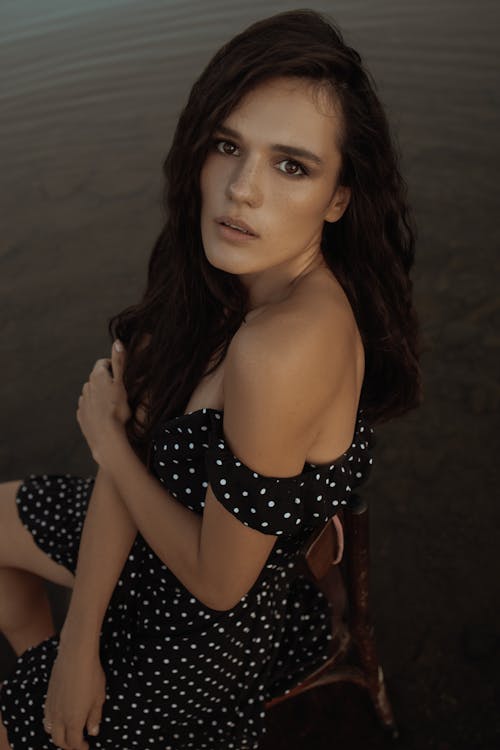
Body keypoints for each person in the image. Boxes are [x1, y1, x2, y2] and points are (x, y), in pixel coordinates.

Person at [0, 8, 422, 750]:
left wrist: (107, 442)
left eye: (291, 165)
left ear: (339, 198)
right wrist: (76, 645)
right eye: (228, 146)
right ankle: (48, 680)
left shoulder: (279, 351)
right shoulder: (225, 288)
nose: (241, 190)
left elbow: (220, 584)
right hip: (161, 544)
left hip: (200, 639)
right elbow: (131, 456)